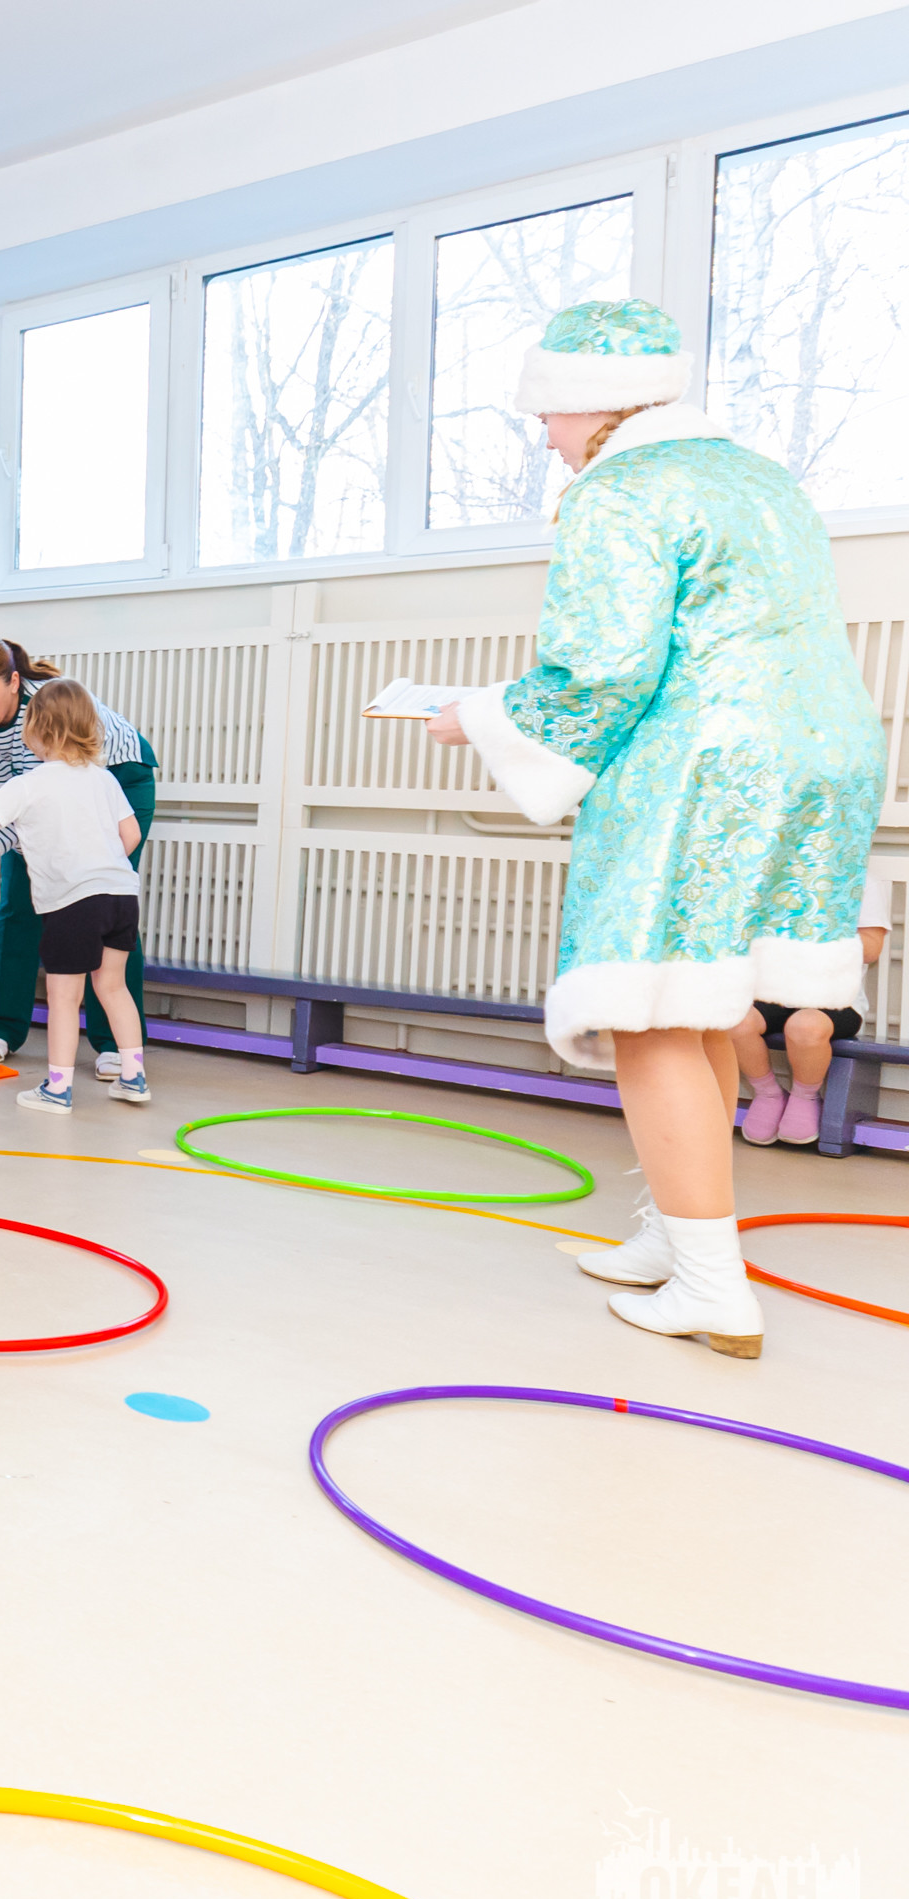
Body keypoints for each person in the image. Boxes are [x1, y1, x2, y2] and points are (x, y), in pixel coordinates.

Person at [430, 302, 884, 1359]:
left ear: (592, 401)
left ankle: (712, 1286)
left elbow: (602, 669)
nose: (547, 436)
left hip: (706, 762)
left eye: (547, 413)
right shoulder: (760, 477)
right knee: (708, 998)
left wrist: (480, 716)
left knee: (651, 1013)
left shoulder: (620, 487)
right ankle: (675, 1234)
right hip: (823, 750)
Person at [0, 641, 156, 1074]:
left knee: (100, 903)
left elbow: (27, 813)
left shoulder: (41, 718)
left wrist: (89, 863)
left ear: (14, 683)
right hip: (37, 797)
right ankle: (2, 1027)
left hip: (119, 777)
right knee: (19, 906)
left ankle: (114, 1044)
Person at [722, 872, 891, 1148]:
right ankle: (768, 1094)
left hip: (836, 999)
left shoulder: (861, 879)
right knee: (734, 1020)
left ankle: (805, 1096)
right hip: (775, 993)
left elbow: (872, 949)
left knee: (805, 1026)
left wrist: (818, 929)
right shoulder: (778, 872)